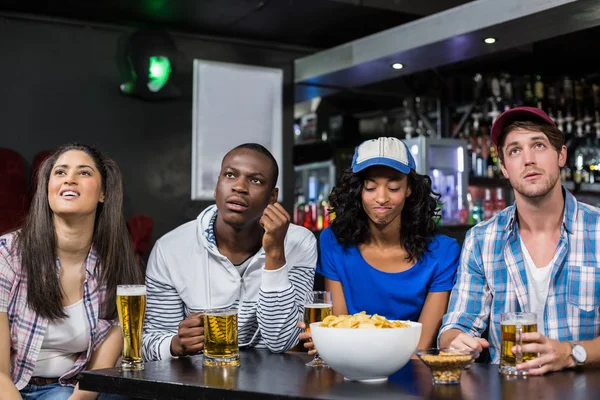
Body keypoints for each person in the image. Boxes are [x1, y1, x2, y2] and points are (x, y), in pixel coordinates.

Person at [439, 106, 600, 374]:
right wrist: (456, 343)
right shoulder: (482, 240)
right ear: (503, 167)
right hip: (508, 390)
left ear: (561, 155)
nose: (528, 159)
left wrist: (572, 353)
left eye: (538, 145)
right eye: (514, 150)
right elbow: (457, 326)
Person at [142, 143, 317, 361]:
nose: (239, 187)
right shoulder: (170, 249)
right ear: (217, 187)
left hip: (272, 385)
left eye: (255, 180)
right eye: (230, 175)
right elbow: (149, 342)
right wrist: (175, 344)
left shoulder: (299, 242)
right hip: (199, 382)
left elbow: (282, 340)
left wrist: (275, 254)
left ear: (272, 197)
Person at [0, 143, 143, 399]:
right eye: (60, 172)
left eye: (84, 173)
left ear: (103, 193)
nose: (70, 180)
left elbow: (100, 370)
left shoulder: (115, 263)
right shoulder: (7, 254)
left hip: (72, 387)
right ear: (47, 190)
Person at [299, 137, 461, 353]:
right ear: (358, 190)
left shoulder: (443, 252)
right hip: (350, 369)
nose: (382, 198)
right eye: (370, 187)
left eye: (393, 187)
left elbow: (421, 346)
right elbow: (341, 329)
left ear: (409, 189)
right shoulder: (334, 241)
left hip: (412, 372)